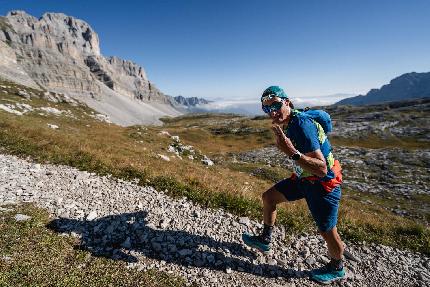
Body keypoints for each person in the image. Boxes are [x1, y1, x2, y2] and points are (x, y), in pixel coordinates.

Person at [242, 86, 345, 284]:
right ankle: (265, 239)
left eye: (276, 105)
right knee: (269, 198)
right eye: (267, 109)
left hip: (322, 185)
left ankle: (337, 266)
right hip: (303, 180)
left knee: (327, 231)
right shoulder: (290, 121)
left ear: (287, 102)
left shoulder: (301, 125)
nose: (272, 112)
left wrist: (292, 152)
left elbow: (322, 169)